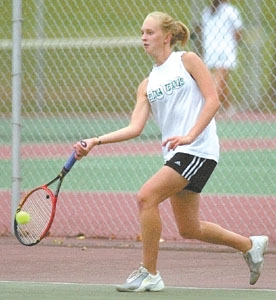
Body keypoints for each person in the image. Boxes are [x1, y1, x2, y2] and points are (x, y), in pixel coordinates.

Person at [74, 11, 268, 292]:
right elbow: (134, 127)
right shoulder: (147, 84)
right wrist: (95, 140)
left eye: (150, 32)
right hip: (178, 154)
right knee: (189, 228)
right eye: (142, 32)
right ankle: (250, 245)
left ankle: (149, 273)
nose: (143, 37)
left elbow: (213, 101)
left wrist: (190, 135)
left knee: (146, 197)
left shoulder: (187, 60)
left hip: (198, 149)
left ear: (167, 36)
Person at [200, 0, 242, 113]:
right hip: (225, 48)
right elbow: (238, 32)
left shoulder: (206, 12)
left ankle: (228, 107)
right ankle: (209, 107)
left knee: (222, 80)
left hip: (209, 48)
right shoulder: (231, 10)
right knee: (219, 78)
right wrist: (238, 40)